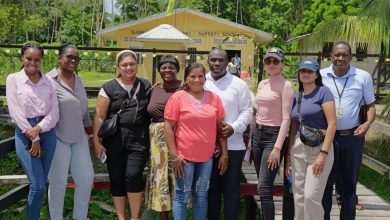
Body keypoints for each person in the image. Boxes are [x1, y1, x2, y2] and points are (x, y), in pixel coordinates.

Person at [164, 63, 227, 220]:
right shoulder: (177, 98)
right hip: (183, 158)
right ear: (186, 79)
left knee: (201, 195)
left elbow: (221, 128)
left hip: (206, 158)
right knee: (182, 195)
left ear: (205, 78)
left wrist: (224, 153)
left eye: (200, 76)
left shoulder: (214, 98)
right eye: (192, 76)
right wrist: (174, 156)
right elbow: (168, 128)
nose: (197, 80)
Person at [93, 50, 151, 220]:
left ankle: (134, 217)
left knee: (133, 176)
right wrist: (96, 141)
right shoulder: (109, 87)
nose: (128, 67)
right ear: (118, 66)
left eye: (132, 64)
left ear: (137, 66)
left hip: (138, 140)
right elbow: (99, 116)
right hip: (114, 140)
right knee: (117, 178)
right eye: (124, 65)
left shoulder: (146, 86)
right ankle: (121, 217)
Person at [321, 41, 376, 220]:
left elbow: (370, 106)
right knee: (325, 184)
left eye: (344, 55)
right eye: (337, 55)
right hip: (326, 139)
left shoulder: (363, 77)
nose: (340, 58)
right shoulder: (320, 76)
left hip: (352, 138)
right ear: (331, 57)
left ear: (351, 57)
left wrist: (367, 124)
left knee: (349, 185)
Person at [6, 43, 59, 219]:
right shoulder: (13, 79)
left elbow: (54, 112)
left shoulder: (49, 81)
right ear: (22, 58)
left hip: (47, 133)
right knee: (37, 185)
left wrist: (39, 129)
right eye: (29, 58)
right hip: (25, 132)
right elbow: (15, 111)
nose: (33, 63)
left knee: (41, 184)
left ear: (41, 60)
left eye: (37, 59)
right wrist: (34, 137)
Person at [47, 43, 94, 220]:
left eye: (76, 57)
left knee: (86, 178)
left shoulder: (79, 80)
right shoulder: (48, 80)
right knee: (58, 183)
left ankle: (79, 217)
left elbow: (84, 112)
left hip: (79, 137)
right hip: (58, 137)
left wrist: (90, 135)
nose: (73, 60)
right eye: (69, 56)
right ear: (60, 58)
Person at [205, 48, 253, 220]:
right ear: (207, 61)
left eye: (221, 60)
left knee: (232, 192)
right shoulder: (201, 82)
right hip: (206, 148)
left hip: (233, 145)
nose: (216, 63)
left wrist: (234, 127)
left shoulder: (238, 84)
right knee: (211, 191)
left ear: (228, 62)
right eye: (213, 60)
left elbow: (247, 111)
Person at [286, 59, 336, 220]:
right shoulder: (296, 96)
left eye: (309, 71)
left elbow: (332, 124)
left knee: (310, 197)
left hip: (319, 146)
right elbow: (293, 129)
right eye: (302, 71)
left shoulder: (324, 92)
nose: (305, 74)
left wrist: (323, 153)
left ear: (316, 74)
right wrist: (288, 157)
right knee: (299, 196)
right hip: (298, 147)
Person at [252, 47, 294, 220]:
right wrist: (251, 140)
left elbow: (286, 119)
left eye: (275, 61)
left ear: (282, 63)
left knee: (264, 187)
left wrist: (277, 148)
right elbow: (258, 112)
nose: (271, 64)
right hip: (258, 135)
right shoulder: (262, 83)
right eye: (268, 61)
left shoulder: (286, 86)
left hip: (274, 137)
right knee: (262, 187)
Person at [146, 55, 182, 220]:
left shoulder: (184, 87)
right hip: (156, 140)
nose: (167, 70)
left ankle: (180, 213)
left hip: (177, 135)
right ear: (159, 70)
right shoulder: (155, 88)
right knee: (161, 178)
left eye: (171, 67)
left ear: (177, 69)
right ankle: (164, 217)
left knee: (177, 174)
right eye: (163, 67)